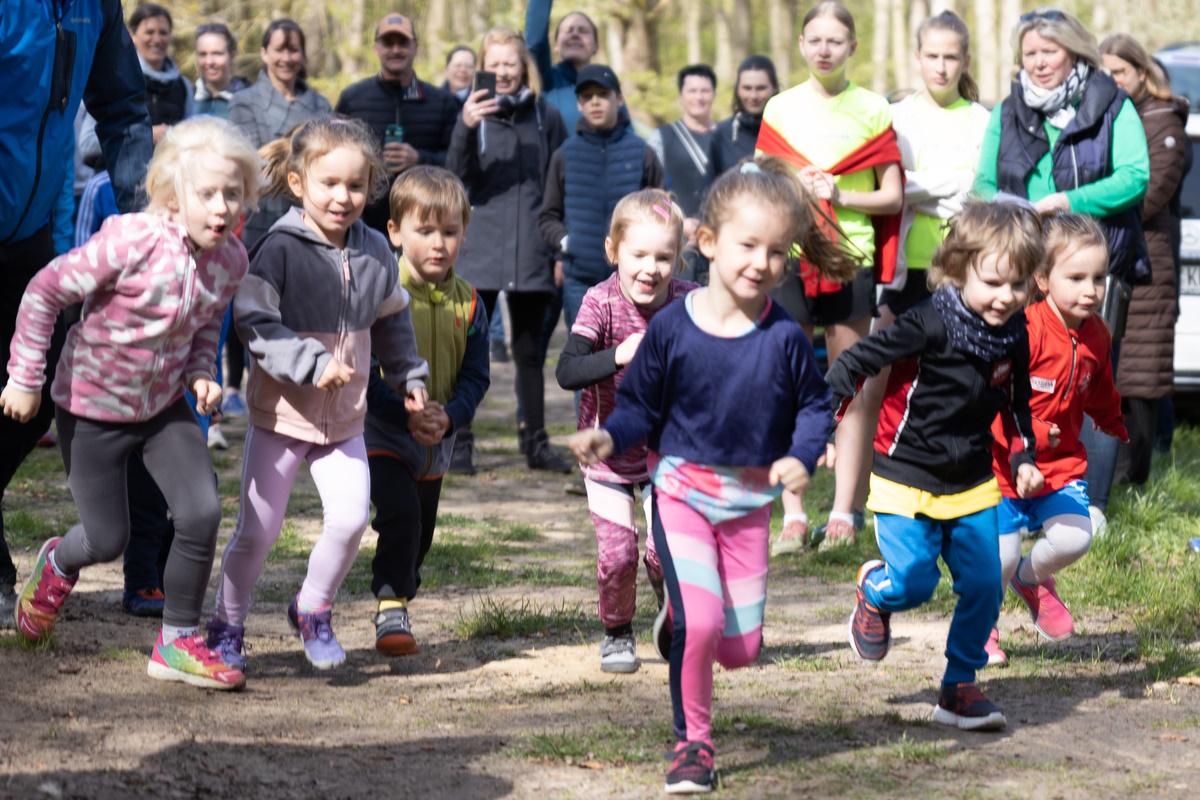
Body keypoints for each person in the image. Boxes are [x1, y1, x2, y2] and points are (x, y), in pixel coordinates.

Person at [568, 156, 856, 792]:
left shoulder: (783, 336)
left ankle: (686, 621)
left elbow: (814, 407)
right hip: (680, 494)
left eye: (778, 251)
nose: (762, 262)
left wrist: (801, 456)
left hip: (749, 504)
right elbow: (639, 405)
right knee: (701, 627)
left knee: (741, 647)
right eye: (747, 245)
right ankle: (691, 743)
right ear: (708, 243)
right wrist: (606, 435)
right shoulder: (672, 327)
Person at [3, 117, 259, 690]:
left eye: (233, 194)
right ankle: (58, 563)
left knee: (200, 512)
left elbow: (204, 328)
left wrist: (202, 376)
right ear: (173, 194)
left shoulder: (231, 259)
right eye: (207, 194)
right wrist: (25, 376)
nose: (222, 207)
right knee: (107, 539)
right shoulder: (129, 240)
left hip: (164, 408)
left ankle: (178, 642)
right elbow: (45, 289)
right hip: (91, 407)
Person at [205, 117, 429, 672]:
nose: (343, 197)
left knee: (352, 519)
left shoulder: (377, 250)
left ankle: (312, 608)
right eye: (329, 184)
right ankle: (228, 624)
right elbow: (253, 323)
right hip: (280, 416)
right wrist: (310, 362)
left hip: (345, 421)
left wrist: (412, 378)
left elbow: (394, 322)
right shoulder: (277, 247)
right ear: (300, 182)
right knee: (257, 531)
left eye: (355, 186)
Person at [775, 11, 989, 557]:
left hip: (944, 268)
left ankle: (921, 500)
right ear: (916, 58)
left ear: (964, 62)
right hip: (880, 270)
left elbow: (969, 191)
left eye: (950, 57)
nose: (940, 65)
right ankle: (814, 510)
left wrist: (920, 190)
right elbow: (766, 176)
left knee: (954, 385)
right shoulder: (888, 112)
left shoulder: (975, 119)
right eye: (931, 55)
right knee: (856, 381)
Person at [829, 200, 1046, 731]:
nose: (1006, 298)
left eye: (1018, 286)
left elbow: (1018, 404)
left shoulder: (1013, 334)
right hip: (905, 476)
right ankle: (876, 589)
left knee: (984, 585)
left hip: (971, 481)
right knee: (915, 583)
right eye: (993, 283)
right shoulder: (928, 323)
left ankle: (959, 688)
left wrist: (1021, 457)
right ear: (957, 269)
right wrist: (820, 421)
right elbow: (857, 360)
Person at [1, 0, 154, 626]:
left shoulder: (96, 7)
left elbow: (122, 107)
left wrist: (149, 222)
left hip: (31, 230)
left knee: (36, 389)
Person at [975, 6, 1149, 535]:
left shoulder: (1111, 104)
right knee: (1018, 375)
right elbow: (982, 183)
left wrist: (1067, 200)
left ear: (1073, 50)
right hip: (1025, 263)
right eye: (1030, 53)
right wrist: (1013, 210)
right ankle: (1015, 489)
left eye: (1049, 51)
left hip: (1094, 262)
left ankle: (1088, 501)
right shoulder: (1008, 110)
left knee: (1090, 374)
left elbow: (1135, 176)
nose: (1039, 62)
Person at [756, 0, 903, 549]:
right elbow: (762, 182)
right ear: (800, 45)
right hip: (789, 259)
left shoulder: (873, 109)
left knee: (852, 388)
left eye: (834, 41)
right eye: (814, 39)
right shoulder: (779, 107)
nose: (824, 49)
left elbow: (891, 195)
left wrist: (841, 194)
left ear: (852, 48)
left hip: (850, 258)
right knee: (786, 382)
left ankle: (845, 511)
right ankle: (792, 512)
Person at [555, 189, 695, 674]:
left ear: (678, 258)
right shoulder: (601, 302)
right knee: (619, 556)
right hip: (608, 455)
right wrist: (618, 354)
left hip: (668, 455)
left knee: (664, 553)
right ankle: (617, 633)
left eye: (664, 256)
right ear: (614, 252)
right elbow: (567, 371)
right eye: (638, 254)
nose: (650, 268)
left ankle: (670, 608)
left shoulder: (690, 301)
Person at [987, 213, 1126, 666]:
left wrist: (1113, 421)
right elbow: (994, 396)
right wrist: (1012, 451)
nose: (1092, 289)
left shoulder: (1098, 337)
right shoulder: (1021, 331)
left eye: (1099, 278)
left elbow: (1101, 390)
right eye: (1077, 277)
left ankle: (1031, 580)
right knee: (1000, 558)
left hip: (1061, 465)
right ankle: (980, 629)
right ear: (1043, 279)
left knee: (1074, 539)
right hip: (1006, 466)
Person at [366, 166, 490, 655]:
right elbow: (365, 372)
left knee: (420, 534)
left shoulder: (473, 303)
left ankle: (401, 587)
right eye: (425, 231)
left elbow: (476, 377)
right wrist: (405, 414)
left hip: (437, 442)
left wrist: (450, 417)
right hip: (381, 433)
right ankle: (390, 607)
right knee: (399, 515)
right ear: (394, 232)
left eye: (450, 232)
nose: (439, 243)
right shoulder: (378, 292)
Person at [446, 28, 570, 474]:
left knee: (530, 353)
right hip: (480, 251)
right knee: (468, 351)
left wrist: (558, 249)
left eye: (510, 63)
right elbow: (455, 180)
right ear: (483, 65)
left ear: (525, 68)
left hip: (533, 251)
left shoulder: (546, 117)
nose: (501, 72)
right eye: (493, 63)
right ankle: (458, 443)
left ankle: (536, 444)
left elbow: (559, 187)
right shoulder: (471, 113)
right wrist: (466, 126)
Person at [226, 18, 333, 417]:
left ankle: (300, 377)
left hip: (308, 218)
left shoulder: (320, 104)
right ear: (265, 53)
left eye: (294, 49)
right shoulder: (244, 102)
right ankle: (238, 382)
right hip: (257, 219)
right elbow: (251, 162)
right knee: (251, 302)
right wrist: (294, 151)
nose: (287, 57)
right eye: (279, 49)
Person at [1101, 34, 1188, 485]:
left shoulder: (1162, 122)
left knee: (1139, 377)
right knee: (1116, 372)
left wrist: (1090, 204)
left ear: (1141, 71)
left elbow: (1147, 195)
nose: (1113, 80)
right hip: (1118, 259)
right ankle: (1111, 476)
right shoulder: (1119, 116)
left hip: (1148, 265)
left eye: (1120, 71)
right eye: (1106, 72)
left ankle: (1132, 480)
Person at [539, 65, 666, 338]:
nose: (595, 101)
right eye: (587, 96)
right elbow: (548, 216)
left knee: (636, 359)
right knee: (585, 362)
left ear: (619, 99)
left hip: (635, 279)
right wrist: (568, 242)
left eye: (603, 94)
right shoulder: (565, 154)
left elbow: (663, 211)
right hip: (580, 281)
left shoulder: (642, 152)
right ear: (579, 104)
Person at [334, 13, 459, 237]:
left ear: (416, 48)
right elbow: (332, 156)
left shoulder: (443, 102)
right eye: (388, 43)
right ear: (376, 49)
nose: (395, 50)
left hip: (426, 228)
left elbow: (459, 161)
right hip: (362, 227)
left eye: (403, 43)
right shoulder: (353, 99)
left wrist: (420, 159)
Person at [648, 65, 720, 237]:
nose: (699, 97)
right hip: (675, 236)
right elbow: (648, 188)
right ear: (681, 96)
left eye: (705, 91)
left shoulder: (726, 136)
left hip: (720, 235)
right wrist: (677, 221)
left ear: (714, 95)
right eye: (692, 91)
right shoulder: (662, 136)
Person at [525, 0, 600, 135]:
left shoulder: (606, 85)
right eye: (568, 30)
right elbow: (535, 43)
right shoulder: (545, 79)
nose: (575, 35)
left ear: (596, 46)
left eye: (583, 31)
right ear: (556, 46)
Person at [711, 56, 780, 176]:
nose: (753, 95)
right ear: (738, 89)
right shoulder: (720, 134)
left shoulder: (786, 132)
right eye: (747, 88)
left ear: (774, 88)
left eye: (761, 88)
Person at [194, 22, 249, 119]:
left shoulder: (251, 100)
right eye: (203, 54)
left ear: (231, 56)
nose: (209, 62)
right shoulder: (184, 98)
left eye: (217, 54)